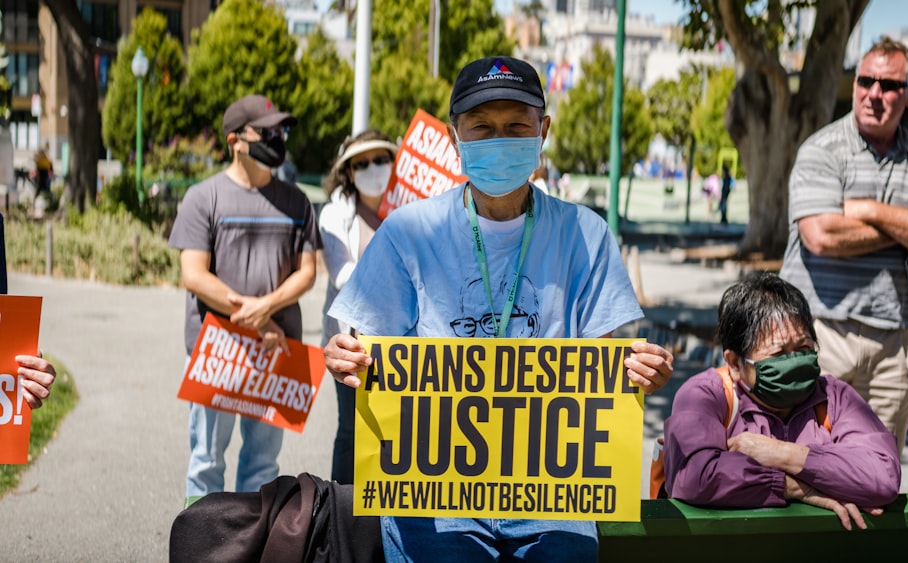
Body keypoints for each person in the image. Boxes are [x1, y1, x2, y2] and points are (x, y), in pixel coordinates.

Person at [323, 55, 674, 562]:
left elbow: (610, 361)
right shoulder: (406, 232)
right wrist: (345, 360)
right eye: (482, 128)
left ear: (543, 130)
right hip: (435, 495)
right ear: (454, 137)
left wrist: (641, 368)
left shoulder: (587, 235)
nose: (498, 139)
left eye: (515, 127)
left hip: (556, 495)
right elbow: (363, 346)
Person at [778, 36, 908, 453]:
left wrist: (870, 210)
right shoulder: (821, 150)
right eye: (865, 81)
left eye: (889, 85)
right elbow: (822, 235)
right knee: (808, 465)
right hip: (821, 336)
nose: (874, 94)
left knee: (878, 477)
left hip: (896, 346)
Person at [168, 94, 320, 504]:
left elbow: (307, 272)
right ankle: (200, 545)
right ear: (235, 139)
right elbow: (194, 275)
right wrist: (253, 315)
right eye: (266, 131)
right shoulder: (204, 197)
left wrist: (265, 309)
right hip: (215, 349)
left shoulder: (297, 201)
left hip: (278, 351)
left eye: (279, 130)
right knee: (206, 461)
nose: (277, 137)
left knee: (262, 468)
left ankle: (249, 545)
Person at [662, 272, 901, 531]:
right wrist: (796, 488)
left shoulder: (834, 395)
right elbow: (695, 475)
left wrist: (778, 453)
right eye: (777, 354)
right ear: (734, 363)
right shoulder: (706, 394)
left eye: (803, 349)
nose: (793, 361)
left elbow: (882, 475)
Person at [319, 128, 397, 484]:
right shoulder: (335, 216)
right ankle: (342, 510)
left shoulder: (409, 211)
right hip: (352, 345)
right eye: (362, 163)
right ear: (349, 172)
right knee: (352, 429)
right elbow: (343, 275)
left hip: (401, 344)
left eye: (381, 160)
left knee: (395, 432)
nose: (373, 168)